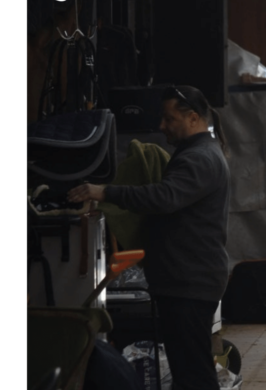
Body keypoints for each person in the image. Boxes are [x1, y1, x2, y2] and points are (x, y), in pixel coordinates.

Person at [67, 85, 230, 390]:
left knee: (193, 375)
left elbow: (164, 197)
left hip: (190, 284)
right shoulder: (198, 152)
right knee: (189, 370)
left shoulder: (200, 159)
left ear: (193, 118)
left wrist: (104, 191)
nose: (161, 126)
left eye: (169, 119)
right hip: (186, 281)